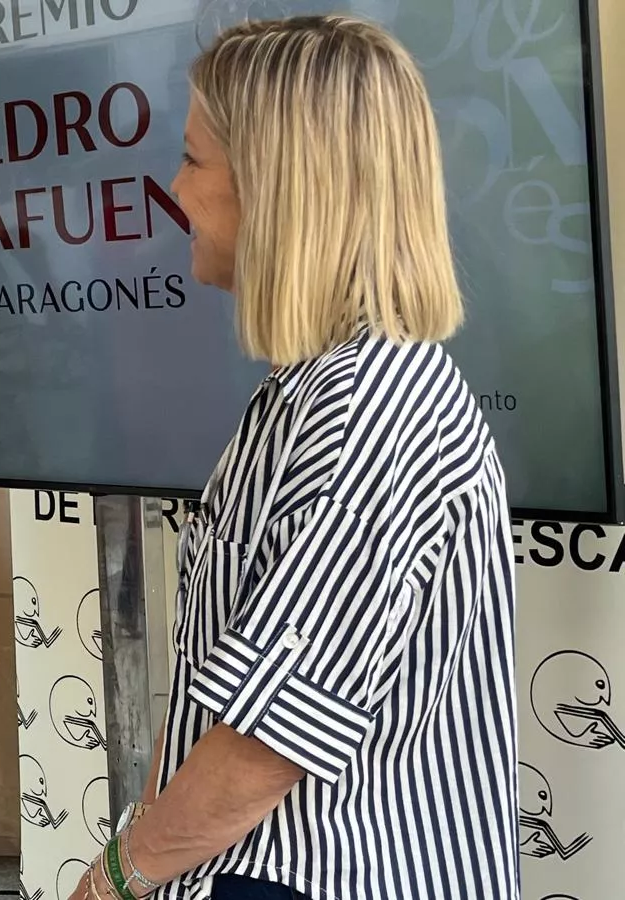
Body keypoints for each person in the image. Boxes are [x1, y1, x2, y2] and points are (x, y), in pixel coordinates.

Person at [71, 16, 517, 900]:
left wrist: (113, 881)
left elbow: (269, 743)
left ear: (282, 188)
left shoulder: (372, 410)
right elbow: (226, 686)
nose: (172, 190)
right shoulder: (309, 393)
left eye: (195, 161)